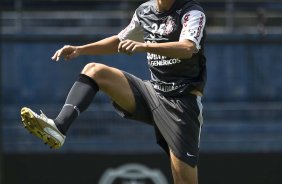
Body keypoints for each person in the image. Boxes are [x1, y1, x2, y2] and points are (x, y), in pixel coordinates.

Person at [20, 0, 206, 183]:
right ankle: (59, 127)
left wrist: (145, 46)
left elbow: (188, 48)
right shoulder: (144, 11)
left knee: (184, 180)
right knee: (94, 71)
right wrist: (80, 49)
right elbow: (120, 40)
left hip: (181, 102)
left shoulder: (192, 11)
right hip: (153, 92)